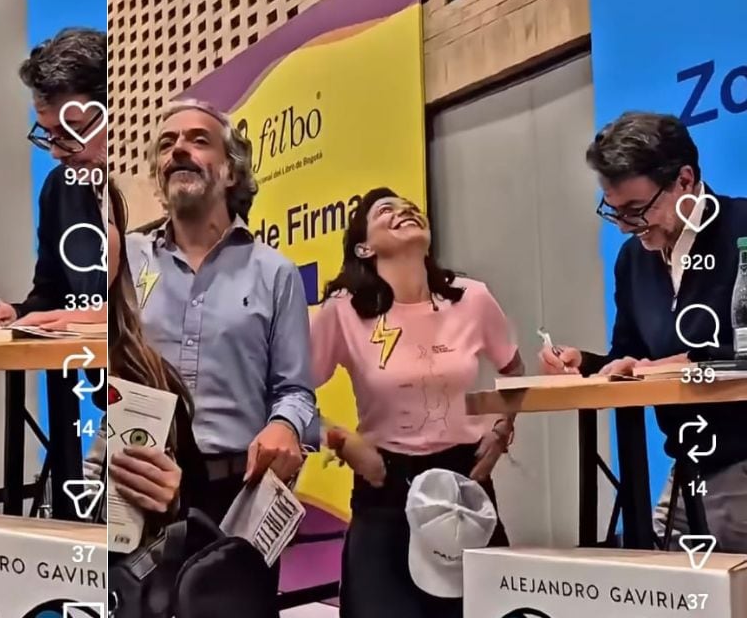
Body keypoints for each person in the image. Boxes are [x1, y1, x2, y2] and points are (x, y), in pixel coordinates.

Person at [539, 111, 747, 551]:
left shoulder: (741, 231)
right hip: (688, 465)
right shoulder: (633, 261)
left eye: (636, 210)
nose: (624, 227)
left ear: (685, 180)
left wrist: (690, 361)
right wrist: (591, 364)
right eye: (612, 212)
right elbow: (632, 352)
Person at [308, 187, 521, 618]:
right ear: (364, 247)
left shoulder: (471, 298)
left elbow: (514, 373)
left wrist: (500, 433)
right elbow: (289, 394)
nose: (404, 211)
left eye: (410, 207)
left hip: (465, 485)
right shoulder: (343, 312)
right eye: (386, 210)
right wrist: (342, 441)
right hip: (385, 489)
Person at [126, 99, 316, 522]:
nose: (178, 150)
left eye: (198, 140)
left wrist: (285, 425)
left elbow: (296, 392)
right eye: (166, 144)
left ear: (231, 171)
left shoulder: (275, 273)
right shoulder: (126, 262)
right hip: (139, 486)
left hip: (238, 497)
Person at [0, 27, 108, 330]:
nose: (57, 153)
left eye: (72, 129)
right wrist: (17, 314)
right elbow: (53, 293)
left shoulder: (157, 187)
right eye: (49, 134)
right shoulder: (58, 189)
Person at [86, 179, 204, 530]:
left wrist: (170, 501)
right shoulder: (16, 359)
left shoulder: (152, 374)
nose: (89, 236)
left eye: (103, 220)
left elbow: (190, 506)